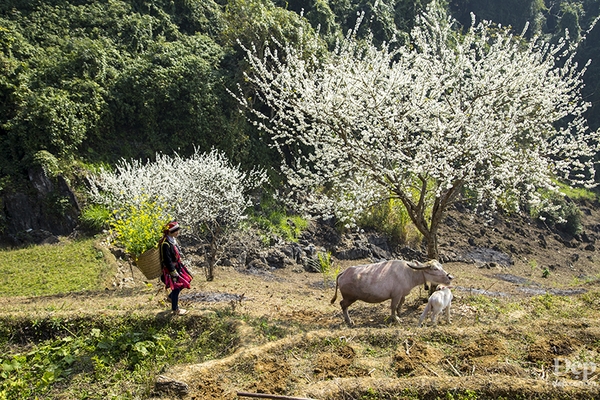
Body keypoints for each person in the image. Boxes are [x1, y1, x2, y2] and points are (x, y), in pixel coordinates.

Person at [159, 221, 193, 315]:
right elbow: (167, 260)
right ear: (170, 232)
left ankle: (170, 297)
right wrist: (173, 272)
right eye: (175, 231)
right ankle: (175, 309)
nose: (177, 233)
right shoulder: (165, 244)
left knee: (187, 280)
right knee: (176, 287)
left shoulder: (172, 240)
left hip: (178, 266)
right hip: (171, 269)